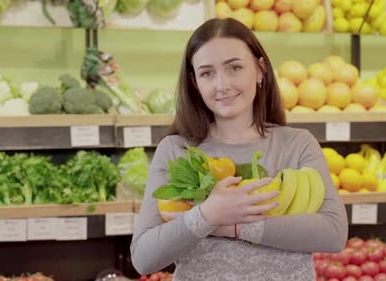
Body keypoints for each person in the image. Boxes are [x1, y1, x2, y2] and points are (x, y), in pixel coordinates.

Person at [130, 17, 348, 280]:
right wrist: (207, 214)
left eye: (234, 68)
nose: (222, 85)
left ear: (259, 70)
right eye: (207, 73)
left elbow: (333, 233)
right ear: (195, 82)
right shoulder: (176, 150)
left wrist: (234, 227)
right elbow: (143, 258)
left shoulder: (298, 144)